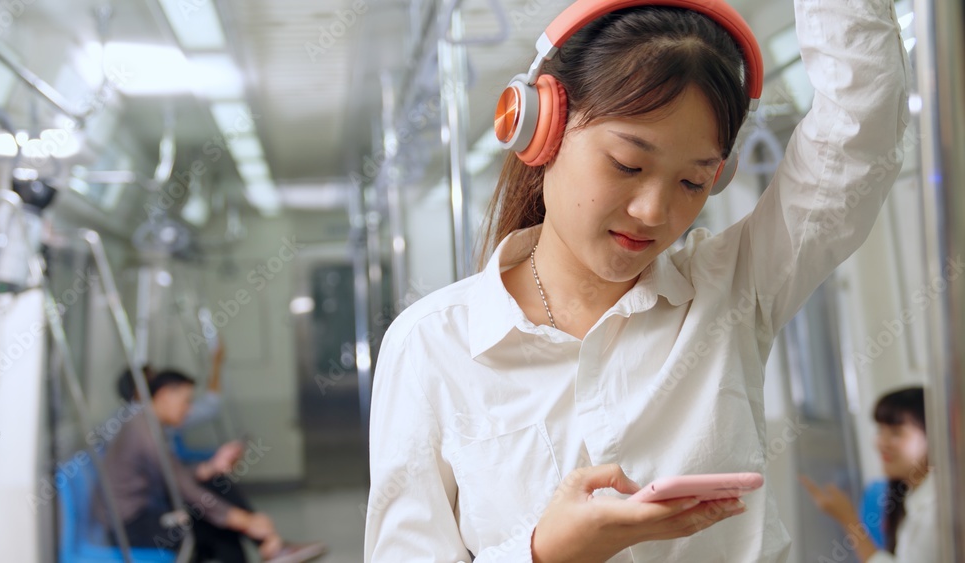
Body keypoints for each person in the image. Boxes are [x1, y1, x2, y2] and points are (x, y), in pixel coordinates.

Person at [363, 0, 910, 561]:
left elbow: (859, 132)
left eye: (693, 182)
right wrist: (545, 552)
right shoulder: (433, 346)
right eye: (627, 164)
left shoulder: (731, 289)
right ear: (541, 130)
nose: (654, 211)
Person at [95, 369, 326, 563]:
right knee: (213, 530)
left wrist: (211, 467)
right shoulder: (145, 434)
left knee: (216, 483)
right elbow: (185, 489)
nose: (189, 409)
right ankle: (269, 544)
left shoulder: (148, 425)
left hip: (150, 511)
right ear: (165, 395)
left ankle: (271, 545)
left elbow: (176, 475)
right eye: (186, 401)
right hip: (132, 526)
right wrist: (245, 521)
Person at [801, 387, 937, 562]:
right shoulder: (911, 498)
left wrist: (848, 519)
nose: (882, 443)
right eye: (880, 430)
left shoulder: (936, 511)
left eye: (896, 432)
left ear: (934, 435)